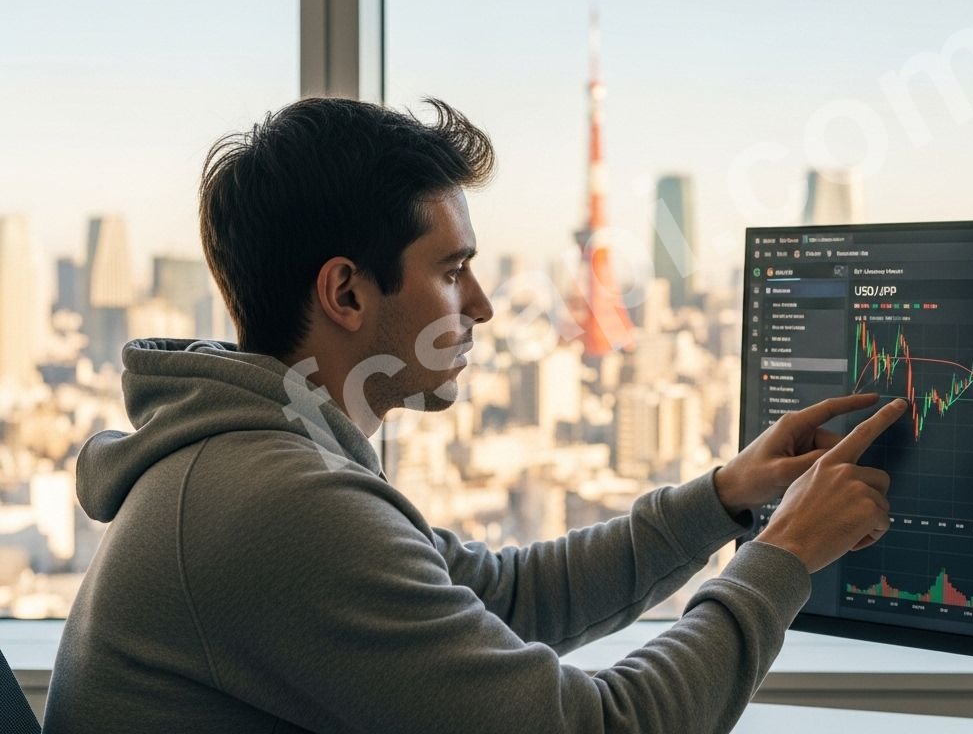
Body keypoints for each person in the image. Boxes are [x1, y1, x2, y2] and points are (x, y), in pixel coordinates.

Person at [42, 98, 904, 734]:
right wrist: (784, 555)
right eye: (452, 270)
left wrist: (720, 498)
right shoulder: (276, 505)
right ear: (345, 291)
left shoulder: (274, 456)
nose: (484, 306)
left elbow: (502, 598)